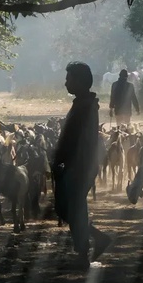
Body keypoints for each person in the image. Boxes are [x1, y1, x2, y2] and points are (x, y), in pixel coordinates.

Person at [52, 61, 112, 270]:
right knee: (65, 208)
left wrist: (60, 157)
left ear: (79, 81)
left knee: (74, 209)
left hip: (80, 165)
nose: (66, 83)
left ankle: (82, 254)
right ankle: (96, 239)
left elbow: (75, 139)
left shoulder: (85, 107)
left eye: (69, 78)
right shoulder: (83, 104)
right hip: (78, 163)